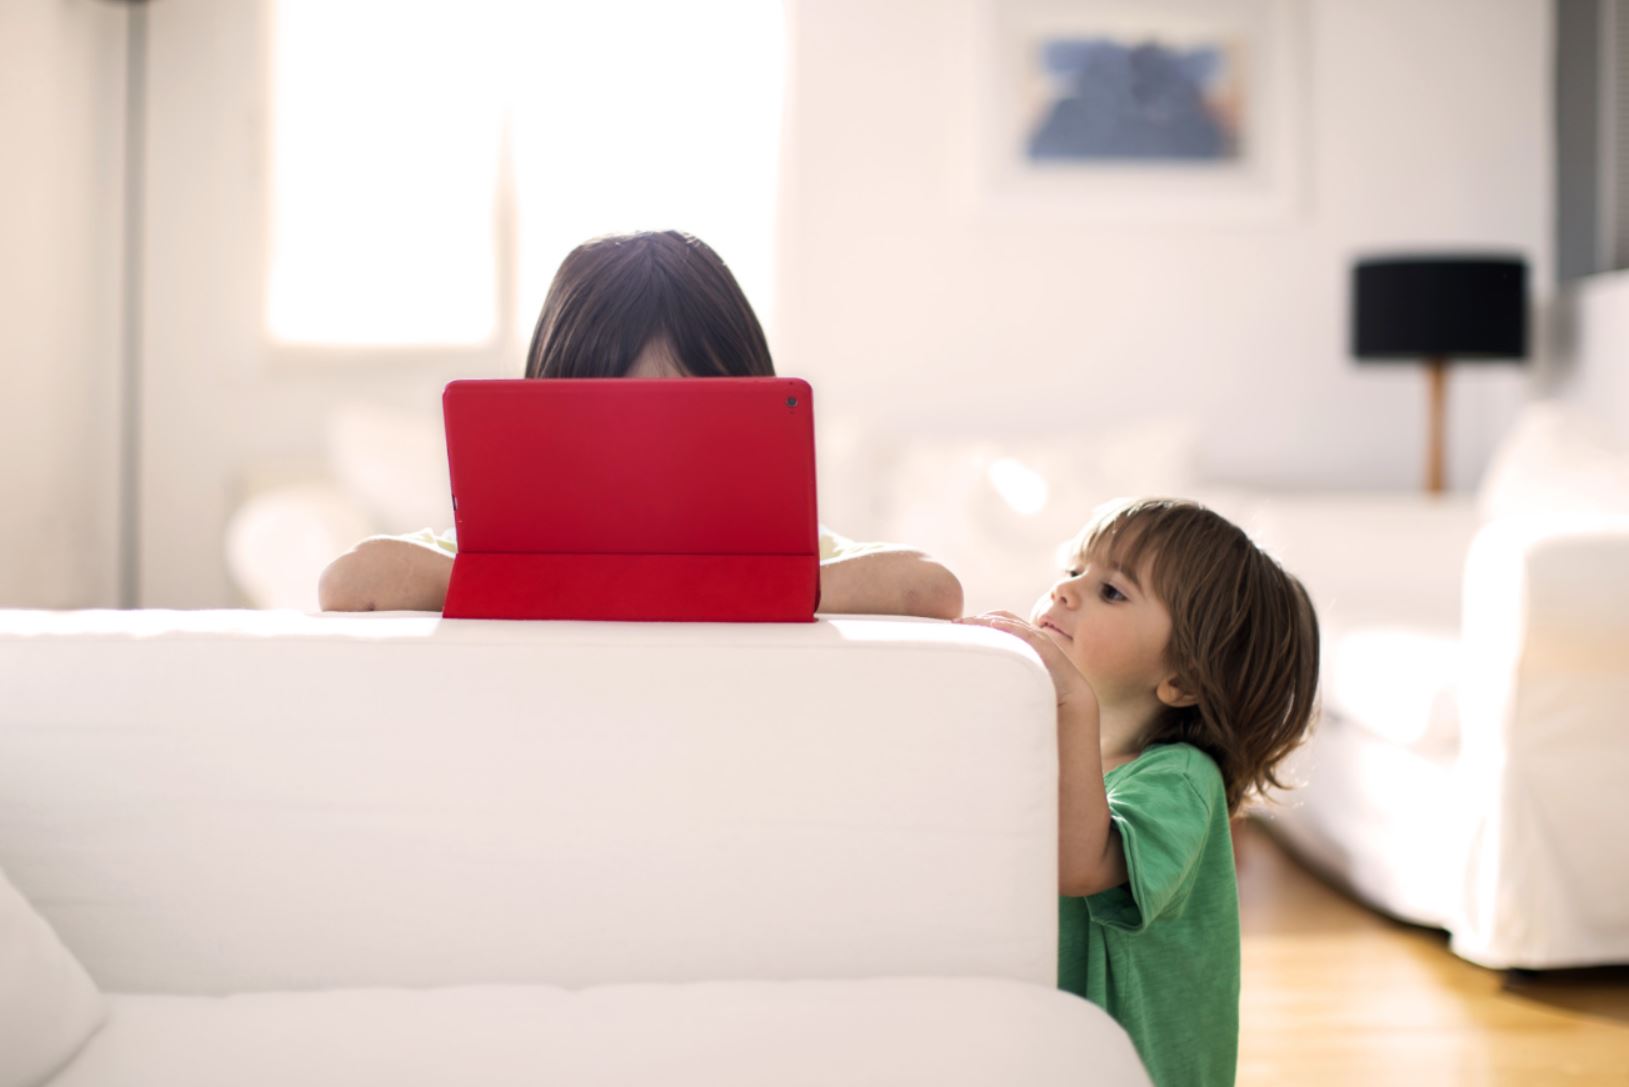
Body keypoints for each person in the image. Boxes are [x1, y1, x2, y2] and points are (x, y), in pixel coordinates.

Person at [317, 230, 962, 618]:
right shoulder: (500, 546)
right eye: (608, 429)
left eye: (692, 425)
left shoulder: (787, 551)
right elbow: (349, 584)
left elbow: (933, 589)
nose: (650, 466)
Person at [956, 497, 1320, 1087]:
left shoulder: (1180, 777)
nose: (1065, 591)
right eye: (1073, 570)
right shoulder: (1043, 753)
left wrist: (1071, 698)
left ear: (1181, 680)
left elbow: (1080, 865)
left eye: (1112, 592)